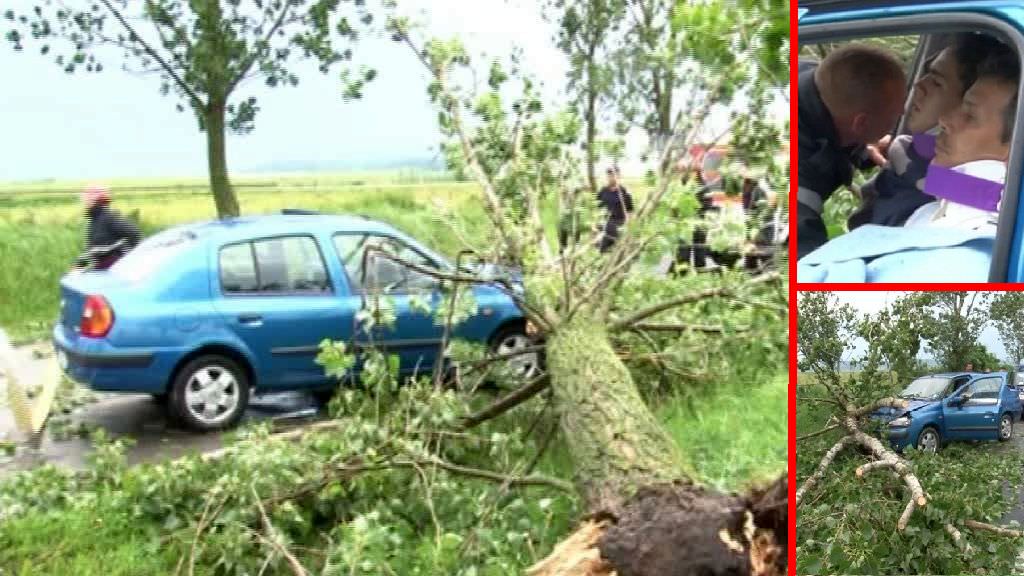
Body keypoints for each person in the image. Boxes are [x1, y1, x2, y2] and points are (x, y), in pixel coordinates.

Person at [798, 51, 1019, 283]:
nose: (946, 119)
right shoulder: (929, 193)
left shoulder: (979, 239)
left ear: (1015, 146)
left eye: (970, 114)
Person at [849, 33, 1004, 229]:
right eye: (926, 74)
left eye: (937, 83)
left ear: (967, 101)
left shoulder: (980, 195)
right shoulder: (908, 154)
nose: (919, 84)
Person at [797, 44, 907, 259]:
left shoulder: (825, 81)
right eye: (895, 116)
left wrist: (861, 148)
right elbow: (807, 267)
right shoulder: (800, 177)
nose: (904, 114)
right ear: (861, 123)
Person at [80, 184, 141, 270]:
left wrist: (127, 260)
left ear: (97, 198)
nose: (84, 199)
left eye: (87, 195)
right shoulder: (94, 219)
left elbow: (134, 234)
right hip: (101, 269)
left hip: (116, 269)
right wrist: (78, 267)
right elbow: (93, 248)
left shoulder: (110, 217)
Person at [596, 166, 634, 252]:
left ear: (618, 176)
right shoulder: (603, 191)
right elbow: (597, 208)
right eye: (609, 175)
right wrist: (595, 224)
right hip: (605, 222)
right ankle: (602, 248)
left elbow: (630, 211)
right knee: (605, 232)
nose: (610, 178)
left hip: (620, 222)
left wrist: (629, 225)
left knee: (610, 233)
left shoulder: (624, 192)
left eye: (613, 175)